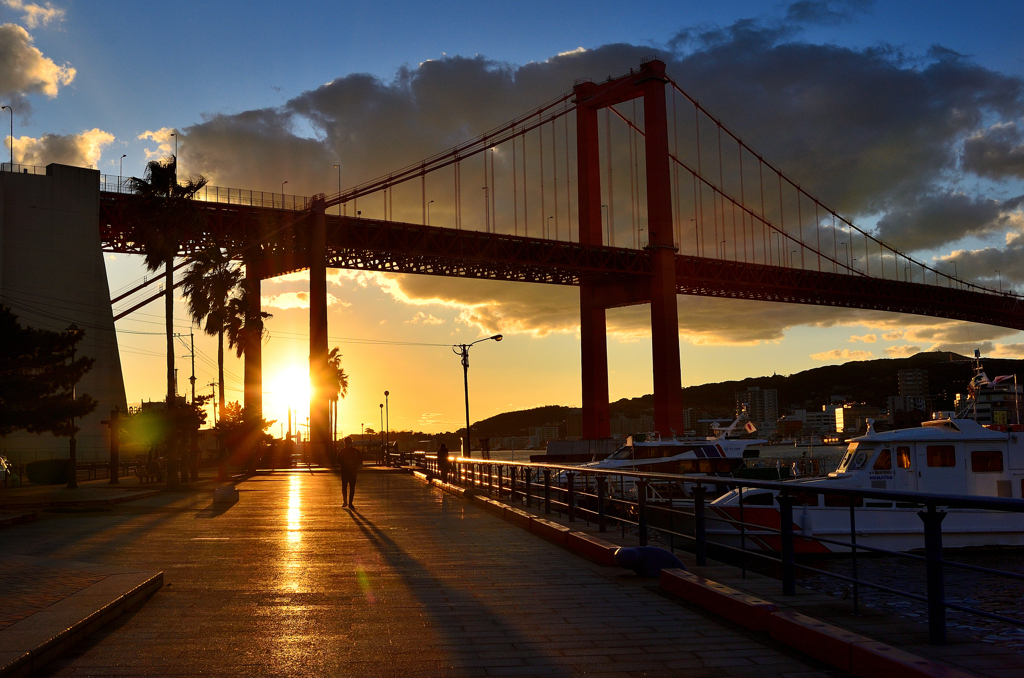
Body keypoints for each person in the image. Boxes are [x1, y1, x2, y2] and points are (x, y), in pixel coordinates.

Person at [336, 436, 363, 508]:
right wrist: (353, 462)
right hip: (353, 471)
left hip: (344, 471)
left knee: (344, 486)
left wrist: (345, 462)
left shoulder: (342, 451)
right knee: (352, 487)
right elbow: (360, 460)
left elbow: (338, 460)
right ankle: (350, 502)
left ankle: (345, 501)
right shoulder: (355, 451)